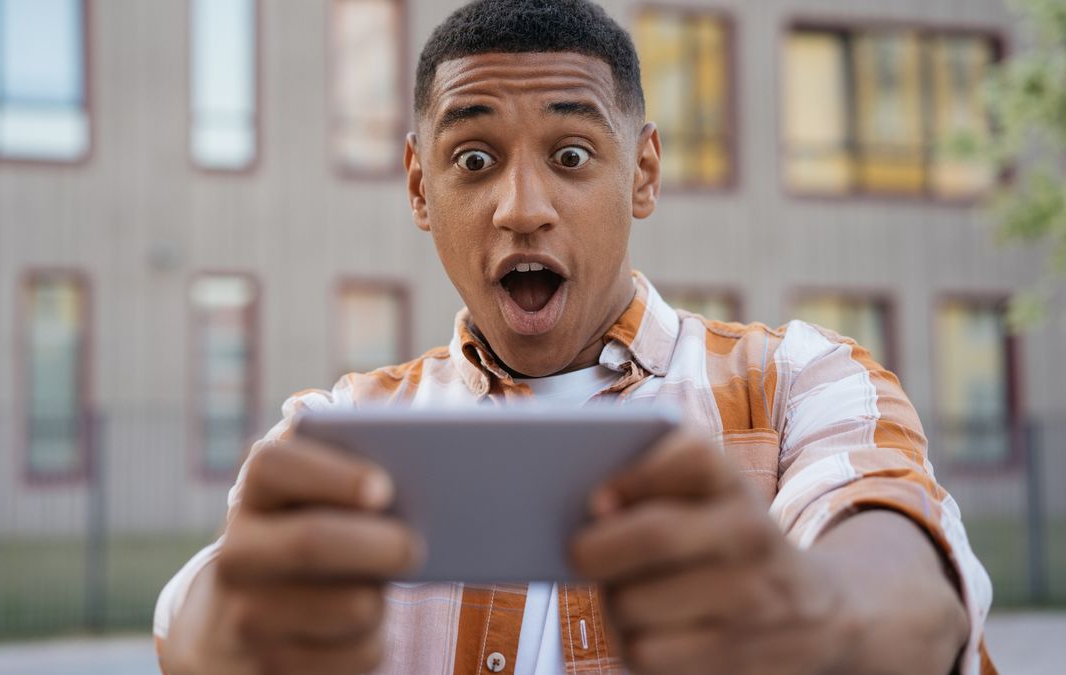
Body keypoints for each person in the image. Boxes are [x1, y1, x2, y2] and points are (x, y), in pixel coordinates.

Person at [154, 1, 994, 673]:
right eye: (474, 159)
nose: (522, 207)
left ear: (643, 172)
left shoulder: (798, 379)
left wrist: (821, 622)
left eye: (571, 153)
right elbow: (197, 609)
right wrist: (217, 635)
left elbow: (911, 583)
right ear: (419, 187)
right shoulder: (338, 431)